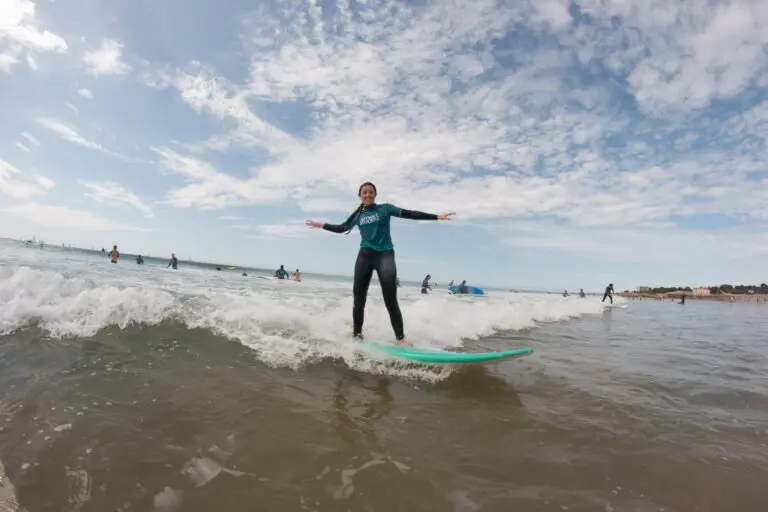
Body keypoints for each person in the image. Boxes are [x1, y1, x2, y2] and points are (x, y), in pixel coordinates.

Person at [306, 181, 455, 345]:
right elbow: (342, 228)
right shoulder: (358, 215)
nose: (368, 194)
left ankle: (400, 338)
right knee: (358, 300)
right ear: (360, 196)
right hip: (365, 257)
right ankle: (357, 336)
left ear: (375, 195)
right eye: (365, 192)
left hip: (385, 256)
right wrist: (321, 225)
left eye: (371, 192)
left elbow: (409, 214)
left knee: (390, 299)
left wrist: (435, 217)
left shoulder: (385, 209)